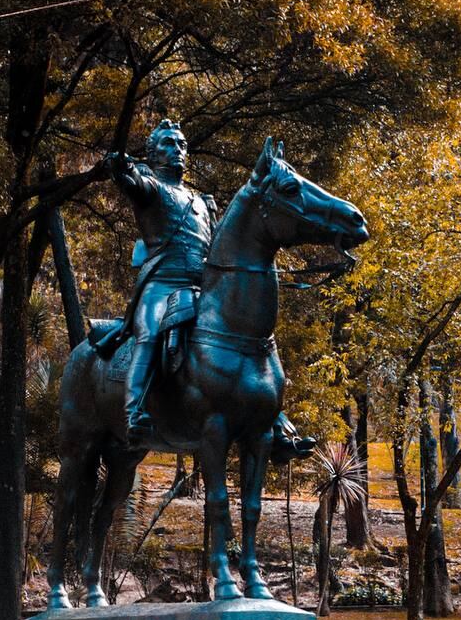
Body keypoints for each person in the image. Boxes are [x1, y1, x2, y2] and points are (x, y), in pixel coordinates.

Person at [108, 120, 314, 459]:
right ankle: (134, 414)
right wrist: (121, 166)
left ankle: (273, 420)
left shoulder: (201, 201)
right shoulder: (150, 187)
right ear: (153, 152)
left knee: (245, 338)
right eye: (169, 144)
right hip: (162, 284)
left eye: (182, 144)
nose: (178, 150)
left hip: (202, 287)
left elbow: (217, 246)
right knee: (149, 335)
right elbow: (131, 181)